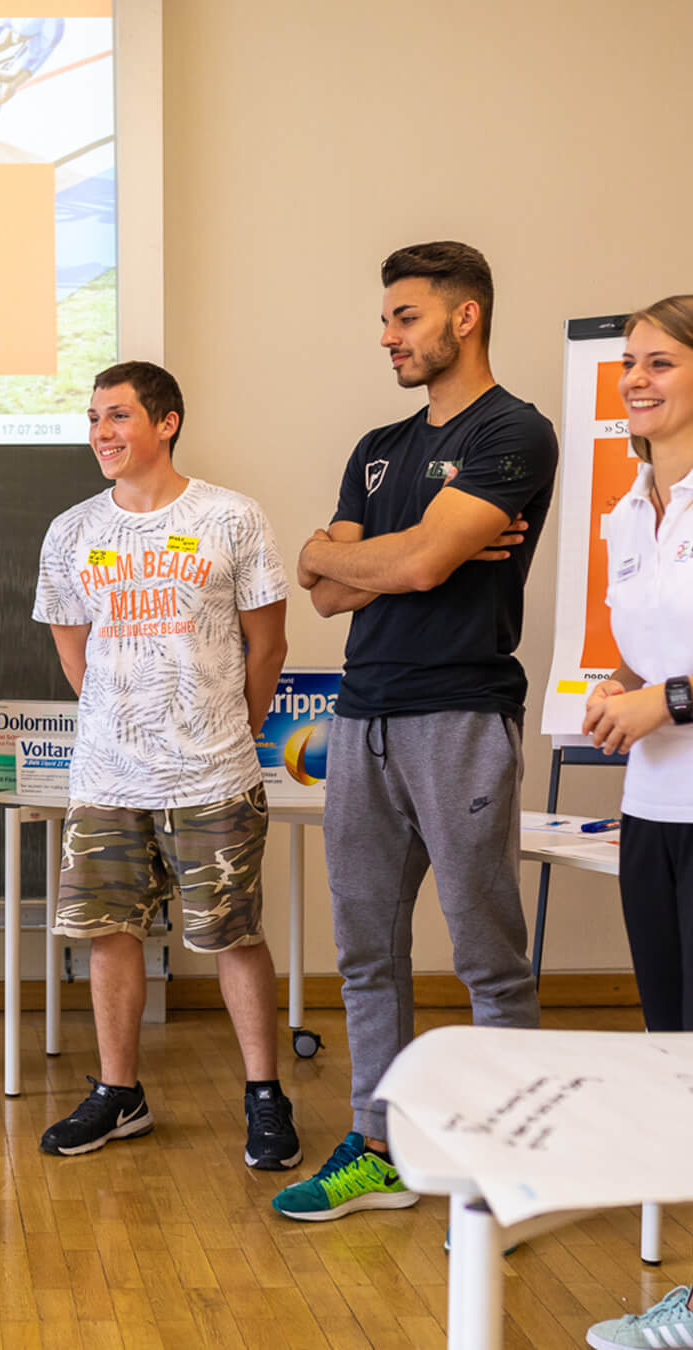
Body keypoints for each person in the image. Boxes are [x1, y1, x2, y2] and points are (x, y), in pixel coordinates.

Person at [274, 242, 555, 1222]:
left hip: (461, 717)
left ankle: (510, 1168)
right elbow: (316, 587)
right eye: (387, 317)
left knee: (487, 959)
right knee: (365, 953)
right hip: (361, 722)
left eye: (404, 316)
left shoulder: (515, 433)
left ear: (464, 317)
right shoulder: (378, 446)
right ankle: (379, 1148)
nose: (386, 334)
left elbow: (426, 568)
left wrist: (376, 552)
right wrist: (339, 551)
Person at [30, 360, 299, 1169]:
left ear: (166, 422)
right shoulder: (72, 530)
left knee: (232, 934)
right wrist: (124, 724)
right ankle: (121, 1095)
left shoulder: (232, 517)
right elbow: (75, 659)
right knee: (108, 934)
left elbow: (269, 643)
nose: (100, 434)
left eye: (117, 416)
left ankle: (264, 1096)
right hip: (108, 776)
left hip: (213, 773)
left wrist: (228, 727)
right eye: (92, 419)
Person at [581, 294, 693, 1350]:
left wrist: (671, 700)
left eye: (659, 361)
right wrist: (621, 690)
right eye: (628, 366)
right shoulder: (628, 510)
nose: (636, 380)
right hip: (654, 812)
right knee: (677, 1056)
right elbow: (647, 658)